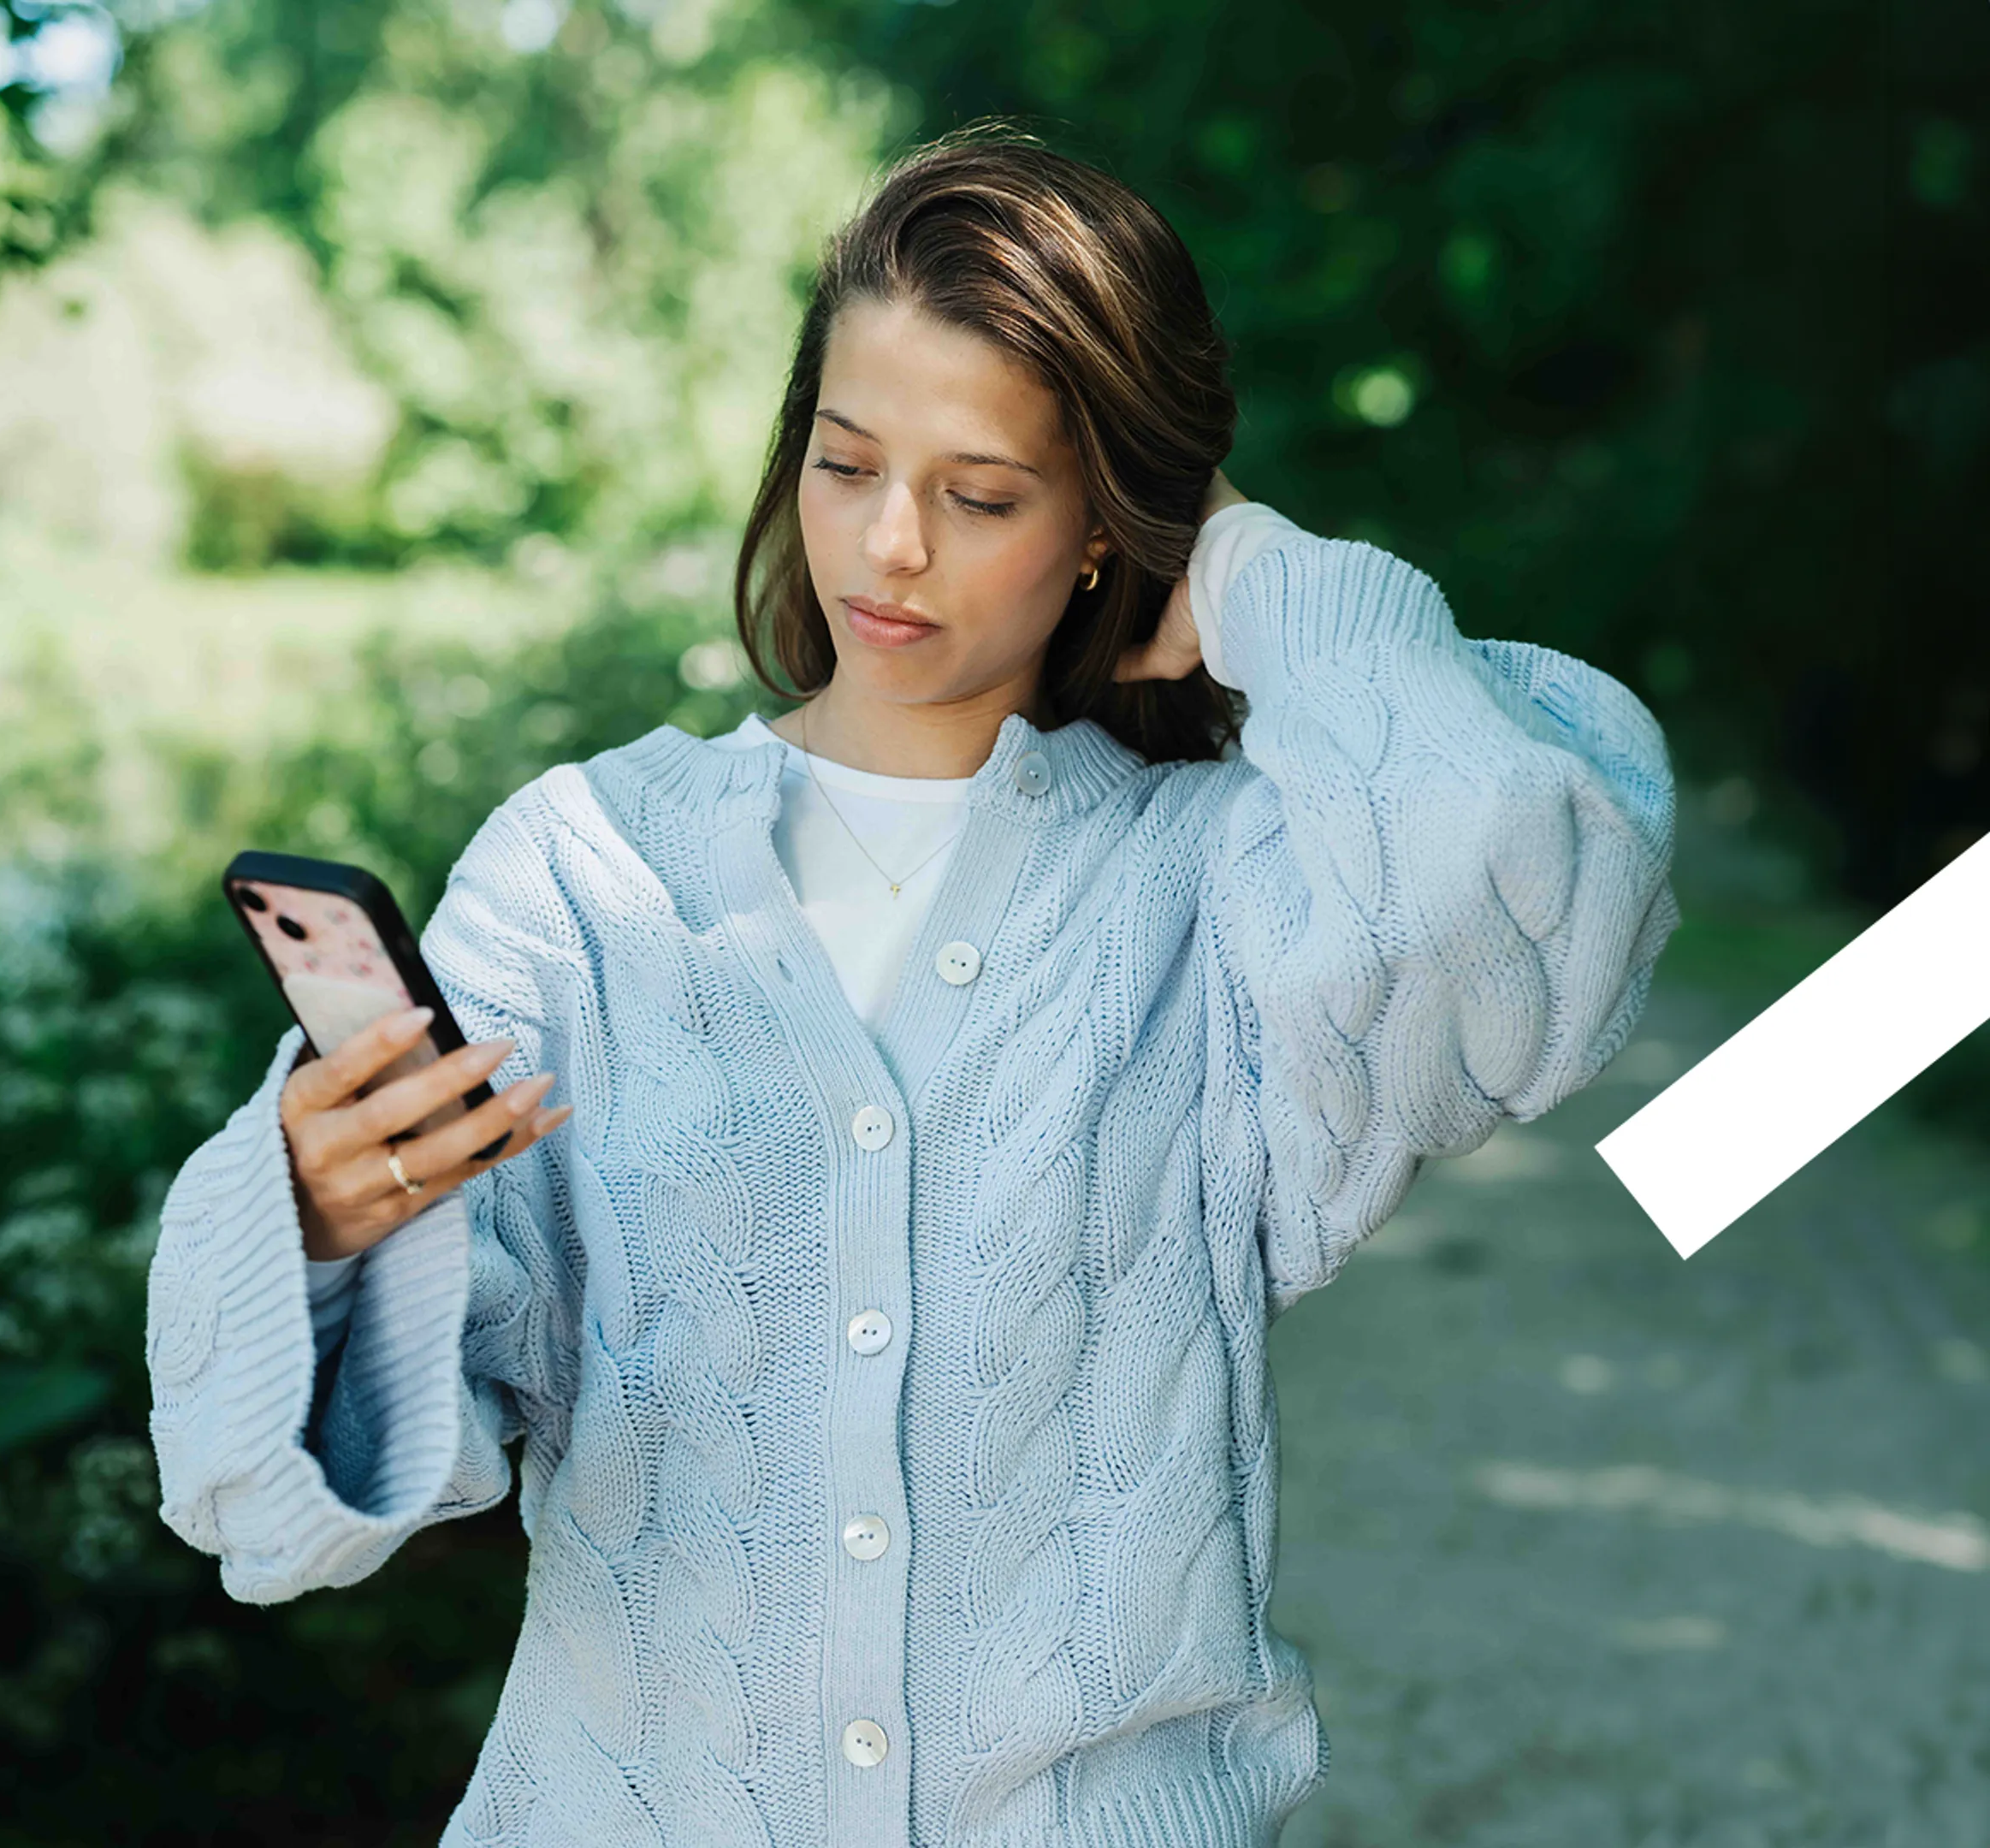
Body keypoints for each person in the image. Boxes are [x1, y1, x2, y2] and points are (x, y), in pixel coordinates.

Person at [142, 120, 1680, 1848]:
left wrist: (1246, 568)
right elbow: (275, 1503)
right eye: (845, 462)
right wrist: (324, 1224)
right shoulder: (587, 872)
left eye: (984, 494)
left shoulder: (1215, 891)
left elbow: (1533, 866)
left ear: (1107, 523)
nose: (887, 548)